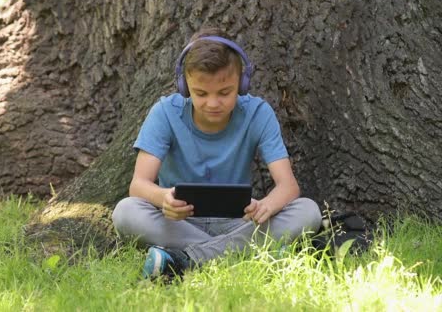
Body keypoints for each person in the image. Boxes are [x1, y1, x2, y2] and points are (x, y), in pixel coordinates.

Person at [112, 27, 322, 280]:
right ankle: (247, 254)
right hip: (179, 223)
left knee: (308, 211)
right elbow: (138, 185)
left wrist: (267, 205)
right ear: (185, 85)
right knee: (125, 212)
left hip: (241, 222)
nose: (213, 103)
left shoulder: (258, 113)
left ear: (242, 84)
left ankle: (186, 260)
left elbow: (288, 186)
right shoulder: (165, 113)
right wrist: (163, 198)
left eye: (224, 92)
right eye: (201, 93)